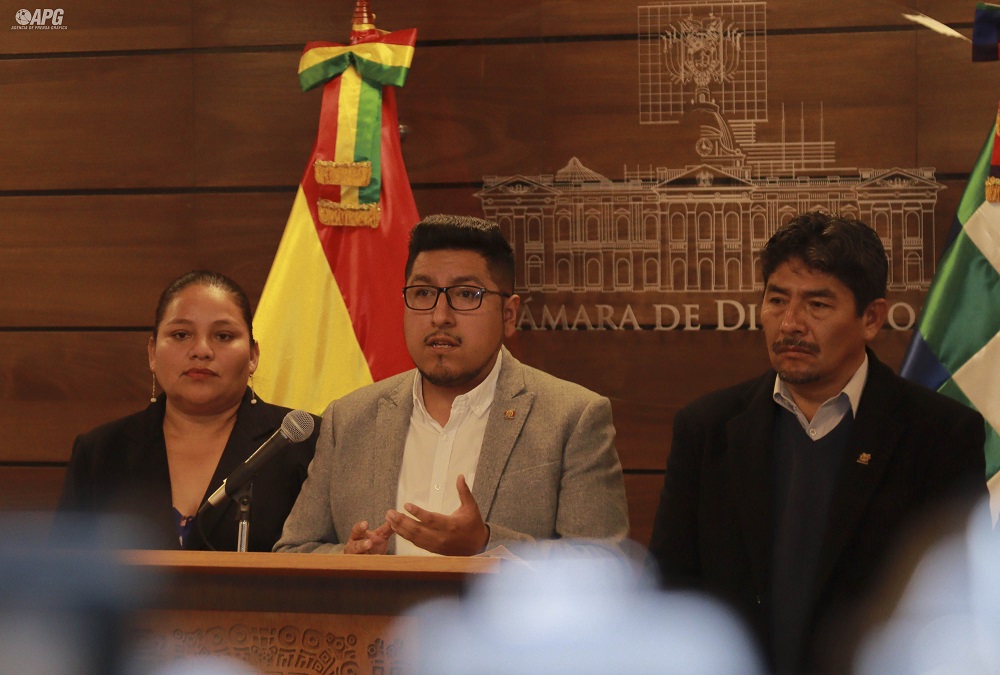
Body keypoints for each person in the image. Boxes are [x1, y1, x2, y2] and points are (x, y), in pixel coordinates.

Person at [647, 212, 987, 673]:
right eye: (776, 300)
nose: (790, 323)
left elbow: (953, 606)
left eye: (818, 305)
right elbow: (670, 593)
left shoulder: (940, 434)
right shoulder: (707, 429)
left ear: (871, 318)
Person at [275, 214, 629, 556]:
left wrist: (486, 543)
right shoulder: (348, 419)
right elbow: (294, 551)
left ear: (508, 314)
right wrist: (348, 559)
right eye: (423, 292)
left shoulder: (572, 418)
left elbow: (604, 567)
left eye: (466, 294)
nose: (440, 316)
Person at [58, 270, 318, 551]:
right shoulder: (100, 452)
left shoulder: (303, 445)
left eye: (223, 336)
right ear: (152, 353)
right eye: (181, 335)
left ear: (253, 355)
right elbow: (65, 567)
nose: (201, 350)